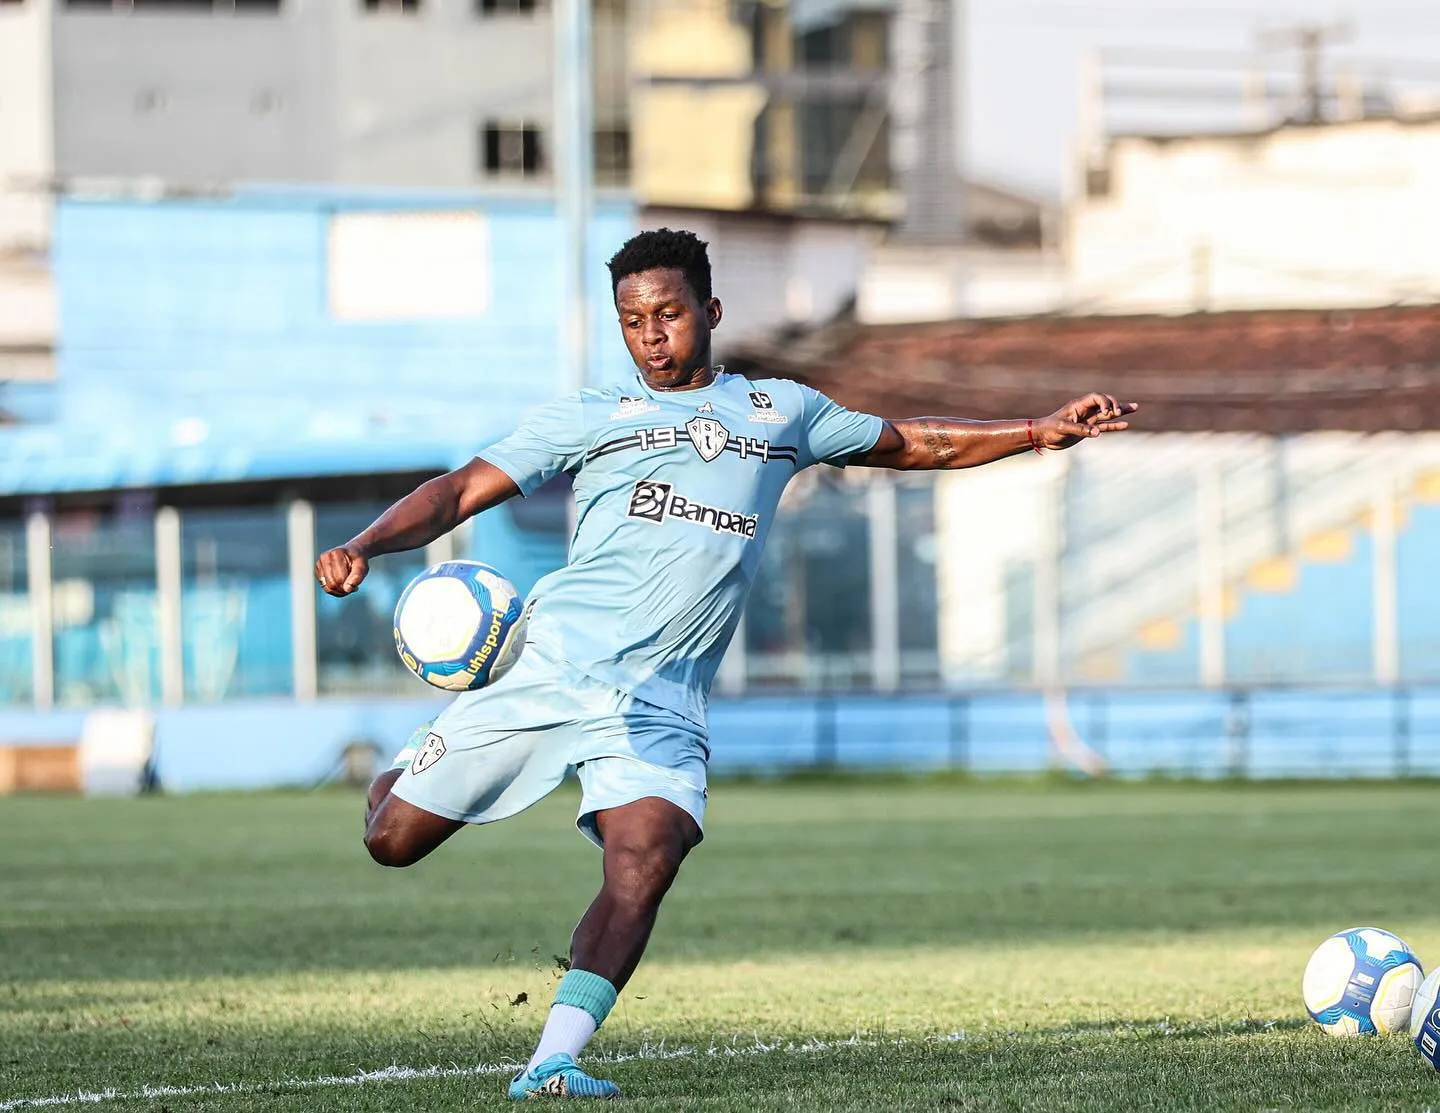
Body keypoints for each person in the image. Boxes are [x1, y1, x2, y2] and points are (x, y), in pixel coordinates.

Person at [314, 228, 1138, 1100]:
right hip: (551, 665)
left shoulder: (782, 411)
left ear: (708, 311)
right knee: (389, 842)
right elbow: (456, 491)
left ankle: (553, 1057)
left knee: (647, 856)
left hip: (662, 696)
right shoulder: (590, 416)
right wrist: (367, 544)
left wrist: (1036, 432)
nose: (651, 336)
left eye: (667, 314)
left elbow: (914, 443)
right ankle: (427, 750)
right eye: (633, 321)